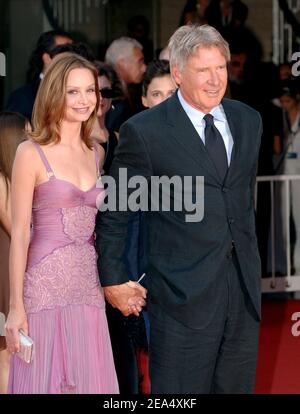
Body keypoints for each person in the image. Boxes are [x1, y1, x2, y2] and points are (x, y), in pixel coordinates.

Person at [96, 24, 262, 394]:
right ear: (178, 73)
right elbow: (116, 212)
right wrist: (112, 279)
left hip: (242, 295)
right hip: (179, 298)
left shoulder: (248, 121)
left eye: (220, 67)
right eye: (203, 70)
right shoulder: (146, 131)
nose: (215, 79)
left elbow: (239, 201)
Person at [5, 53, 121, 394]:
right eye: (74, 91)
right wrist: (15, 307)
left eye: (91, 91)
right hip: (42, 287)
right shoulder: (31, 152)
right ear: (55, 93)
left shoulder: (96, 152)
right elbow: (20, 232)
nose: (85, 100)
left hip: (86, 284)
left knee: (89, 381)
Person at [0, 112, 29, 394]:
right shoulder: (1, 182)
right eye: (27, 132)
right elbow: (17, 227)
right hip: (6, 279)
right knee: (7, 354)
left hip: (12, 273)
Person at [5, 30, 73, 121]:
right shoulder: (22, 97)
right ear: (47, 58)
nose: (73, 57)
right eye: (65, 51)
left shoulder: (81, 91)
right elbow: (12, 132)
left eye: (74, 51)